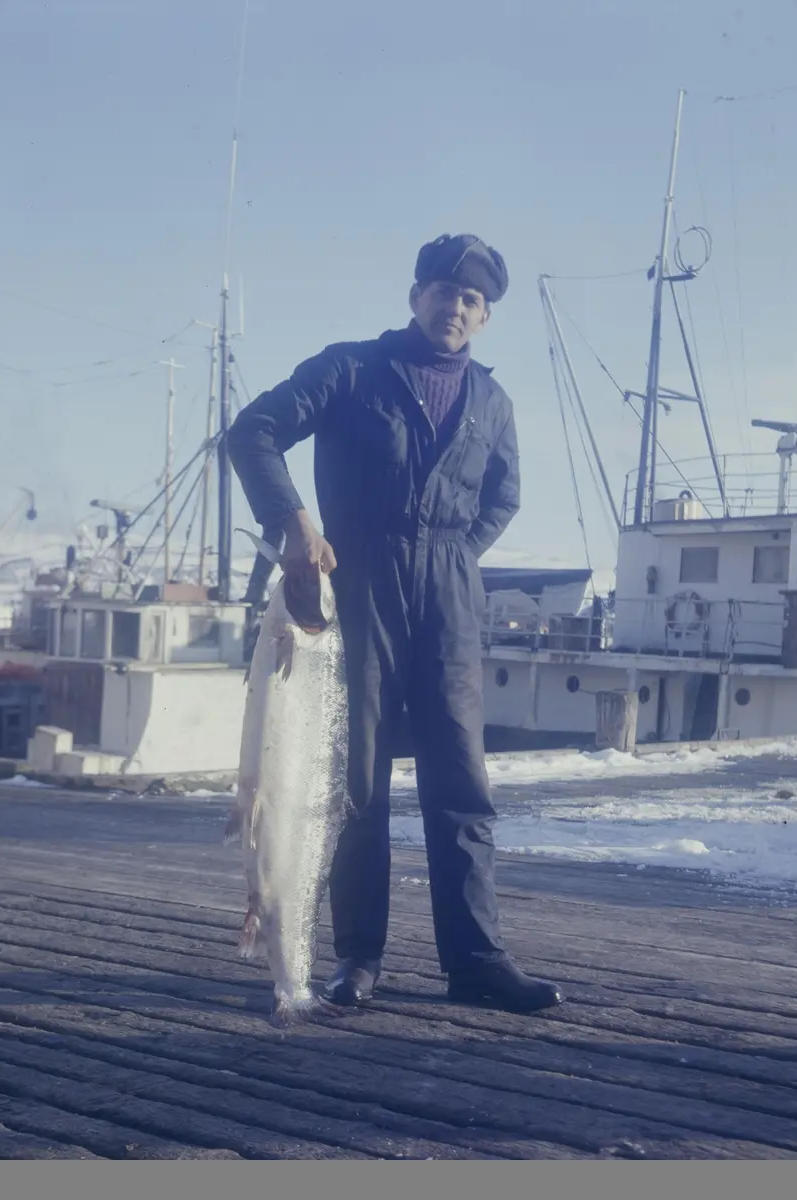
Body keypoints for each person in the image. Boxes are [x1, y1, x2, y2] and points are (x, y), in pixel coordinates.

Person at [227, 233, 564, 1014]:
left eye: (471, 300)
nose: (455, 307)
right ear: (415, 296)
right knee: (356, 779)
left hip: (449, 591)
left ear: (484, 318)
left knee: (461, 779)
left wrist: (453, 556)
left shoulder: (494, 403)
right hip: (359, 582)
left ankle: (476, 959)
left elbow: (503, 497)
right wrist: (294, 524)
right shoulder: (350, 370)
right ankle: (357, 958)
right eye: (443, 290)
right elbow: (253, 432)